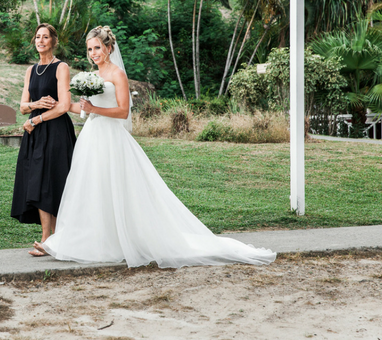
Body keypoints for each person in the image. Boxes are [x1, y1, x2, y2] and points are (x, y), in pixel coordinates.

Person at [38, 26, 276, 268]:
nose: (93, 53)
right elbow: (83, 109)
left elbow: (122, 112)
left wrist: (93, 110)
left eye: (97, 48)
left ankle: (123, 239)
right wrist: (62, 104)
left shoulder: (117, 74)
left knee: (116, 187)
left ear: (108, 48)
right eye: (89, 49)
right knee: (92, 187)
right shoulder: (91, 76)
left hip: (112, 139)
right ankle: (94, 240)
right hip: (91, 138)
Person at [9, 23, 78, 255]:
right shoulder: (30, 70)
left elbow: (64, 107)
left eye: (45, 37)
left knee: (55, 181)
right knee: (37, 182)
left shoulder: (61, 67)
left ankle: (57, 240)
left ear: (53, 41)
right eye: (37, 37)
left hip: (55, 130)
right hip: (35, 133)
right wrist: (35, 106)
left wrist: (35, 119)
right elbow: (21, 107)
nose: (40, 40)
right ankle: (47, 239)